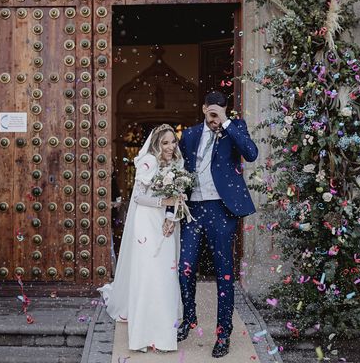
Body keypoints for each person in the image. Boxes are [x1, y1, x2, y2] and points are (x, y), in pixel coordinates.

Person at [176, 91, 259, 358]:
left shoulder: (235, 129)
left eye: (219, 112)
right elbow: (177, 170)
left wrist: (225, 123)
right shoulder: (188, 135)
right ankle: (189, 318)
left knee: (224, 274)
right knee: (184, 268)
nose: (213, 117)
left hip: (221, 210)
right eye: (211, 112)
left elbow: (251, 153)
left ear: (225, 110)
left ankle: (223, 334)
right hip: (193, 209)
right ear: (202, 109)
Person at [99, 124, 184, 353]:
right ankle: (142, 335)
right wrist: (163, 204)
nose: (169, 146)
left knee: (165, 276)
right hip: (146, 222)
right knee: (147, 275)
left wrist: (170, 217)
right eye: (165, 142)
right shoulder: (148, 162)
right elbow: (138, 197)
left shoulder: (177, 164)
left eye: (172, 142)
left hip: (166, 224)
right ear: (156, 143)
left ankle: (163, 335)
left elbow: (174, 196)